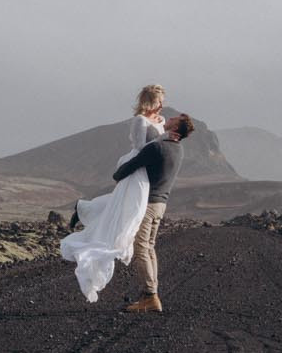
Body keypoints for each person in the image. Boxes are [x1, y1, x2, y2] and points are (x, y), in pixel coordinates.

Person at [59, 86, 167, 303]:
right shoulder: (139, 121)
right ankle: (85, 212)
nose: (161, 105)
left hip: (147, 173)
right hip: (138, 170)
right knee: (129, 208)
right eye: (158, 101)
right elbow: (140, 147)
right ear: (150, 102)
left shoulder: (160, 120)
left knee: (121, 205)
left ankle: (84, 209)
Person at [108, 112, 191, 313]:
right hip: (161, 205)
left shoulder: (156, 147)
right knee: (150, 247)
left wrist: (118, 174)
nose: (168, 119)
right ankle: (151, 293)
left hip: (148, 203)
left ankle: (150, 296)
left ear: (174, 128)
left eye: (172, 120)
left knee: (141, 248)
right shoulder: (178, 149)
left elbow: (124, 170)